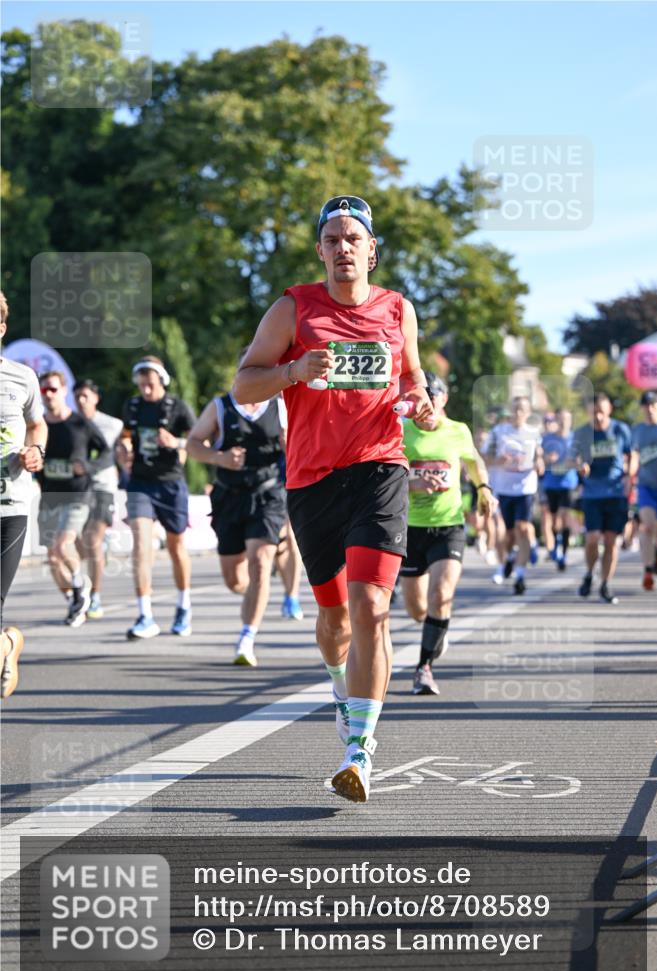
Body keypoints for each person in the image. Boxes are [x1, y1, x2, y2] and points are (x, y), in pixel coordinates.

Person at [232, 194, 432, 803]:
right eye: (332, 240)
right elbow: (244, 386)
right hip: (312, 478)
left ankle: (359, 754)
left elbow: (412, 376)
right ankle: (340, 692)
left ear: (372, 249)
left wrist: (422, 400)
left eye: (354, 239)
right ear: (320, 250)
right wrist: (293, 372)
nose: (343, 248)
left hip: (379, 468)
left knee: (371, 604)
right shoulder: (293, 309)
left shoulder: (398, 310)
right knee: (335, 619)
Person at [186, 357, 301, 667]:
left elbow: (304, 448)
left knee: (260, 563)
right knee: (235, 579)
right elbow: (193, 444)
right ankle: (261, 580)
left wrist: (291, 445)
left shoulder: (282, 407)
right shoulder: (222, 407)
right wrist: (219, 457)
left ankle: (247, 637)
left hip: (268, 494)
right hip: (229, 497)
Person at [399, 372, 495, 695]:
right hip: (410, 527)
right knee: (416, 609)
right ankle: (435, 629)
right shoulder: (401, 431)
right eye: (423, 398)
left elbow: (474, 462)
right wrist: (414, 484)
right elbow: (385, 478)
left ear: (443, 400)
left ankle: (424, 668)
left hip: (449, 526)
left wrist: (483, 489)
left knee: (442, 595)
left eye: (434, 397)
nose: (429, 404)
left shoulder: (458, 431)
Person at [120, 356, 196, 639]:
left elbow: (202, 442)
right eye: (141, 384)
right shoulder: (133, 405)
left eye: (150, 384)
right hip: (140, 483)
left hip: (171, 484)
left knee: (176, 547)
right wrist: (125, 448)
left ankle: (183, 606)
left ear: (161, 380)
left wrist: (176, 443)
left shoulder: (178, 408)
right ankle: (145, 615)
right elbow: (126, 435)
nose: (145, 389)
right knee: (141, 544)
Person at [0, 290, 48, 697]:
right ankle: (7, 642)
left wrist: (36, 451)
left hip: (9, 503)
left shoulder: (21, 377)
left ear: (1, 327)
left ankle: (7, 643)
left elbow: (38, 425)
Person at [37, 371, 109, 627]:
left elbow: (106, 452)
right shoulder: (38, 425)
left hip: (77, 494)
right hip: (49, 496)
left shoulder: (79, 423)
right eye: (43, 390)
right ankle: (75, 597)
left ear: (64, 391)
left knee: (62, 543)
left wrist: (88, 467)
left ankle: (80, 585)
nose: (48, 394)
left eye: (53, 389)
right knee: (53, 558)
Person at [572, 392, 632, 605]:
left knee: (611, 541)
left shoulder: (621, 429)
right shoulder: (581, 432)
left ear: (609, 411)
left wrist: (629, 475)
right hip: (592, 494)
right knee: (592, 538)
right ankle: (589, 573)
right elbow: (574, 458)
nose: (598, 417)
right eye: (594, 413)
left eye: (602, 413)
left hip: (616, 493)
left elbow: (632, 454)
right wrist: (581, 466)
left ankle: (605, 584)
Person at [73, 378, 124, 618]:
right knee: (75, 544)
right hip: (75, 489)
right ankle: (82, 587)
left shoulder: (111, 424)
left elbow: (109, 455)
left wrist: (87, 466)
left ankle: (95, 597)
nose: (81, 401)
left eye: (86, 396)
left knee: (92, 540)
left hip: (103, 486)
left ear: (96, 398)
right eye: (77, 397)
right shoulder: (68, 423)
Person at [482, 396, 541, 595]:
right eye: (514, 409)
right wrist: (496, 460)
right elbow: (483, 457)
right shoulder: (498, 433)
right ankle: (506, 560)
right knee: (505, 534)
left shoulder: (533, 434)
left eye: (521, 410)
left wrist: (540, 464)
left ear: (528, 413)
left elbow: (539, 458)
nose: (517, 413)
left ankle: (520, 575)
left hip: (525, 488)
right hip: (503, 489)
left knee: (522, 528)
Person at [630, 390, 657, 590]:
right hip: (647, 486)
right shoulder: (638, 431)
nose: (650, 409)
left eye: (653, 404)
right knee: (648, 526)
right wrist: (630, 475)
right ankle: (648, 570)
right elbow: (634, 454)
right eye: (646, 405)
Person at [540, 408, 578, 570]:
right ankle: (556, 546)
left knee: (565, 515)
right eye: (560, 419)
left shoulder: (575, 438)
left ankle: (564, 552)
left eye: (566, 419)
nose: (563, 423)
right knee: (554, 519)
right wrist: (546, 459)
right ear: (556, 421)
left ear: (570, 421)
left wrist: (575, 463)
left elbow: (581, 459)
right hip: (551, 484)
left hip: (568, 483)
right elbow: (539, 457)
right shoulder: (547, 439)